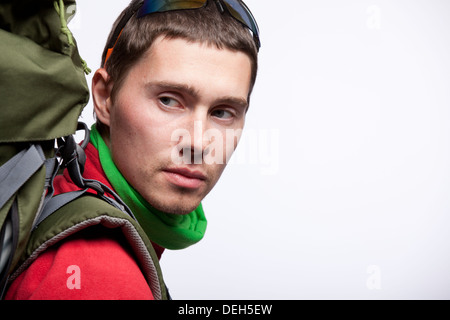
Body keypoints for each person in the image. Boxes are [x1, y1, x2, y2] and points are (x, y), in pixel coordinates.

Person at [5, 0, 259, 300]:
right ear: (104, 97)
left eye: (222, 112)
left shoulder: (70, 192)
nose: (199, 144)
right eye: (168, 100)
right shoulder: (100, 275)